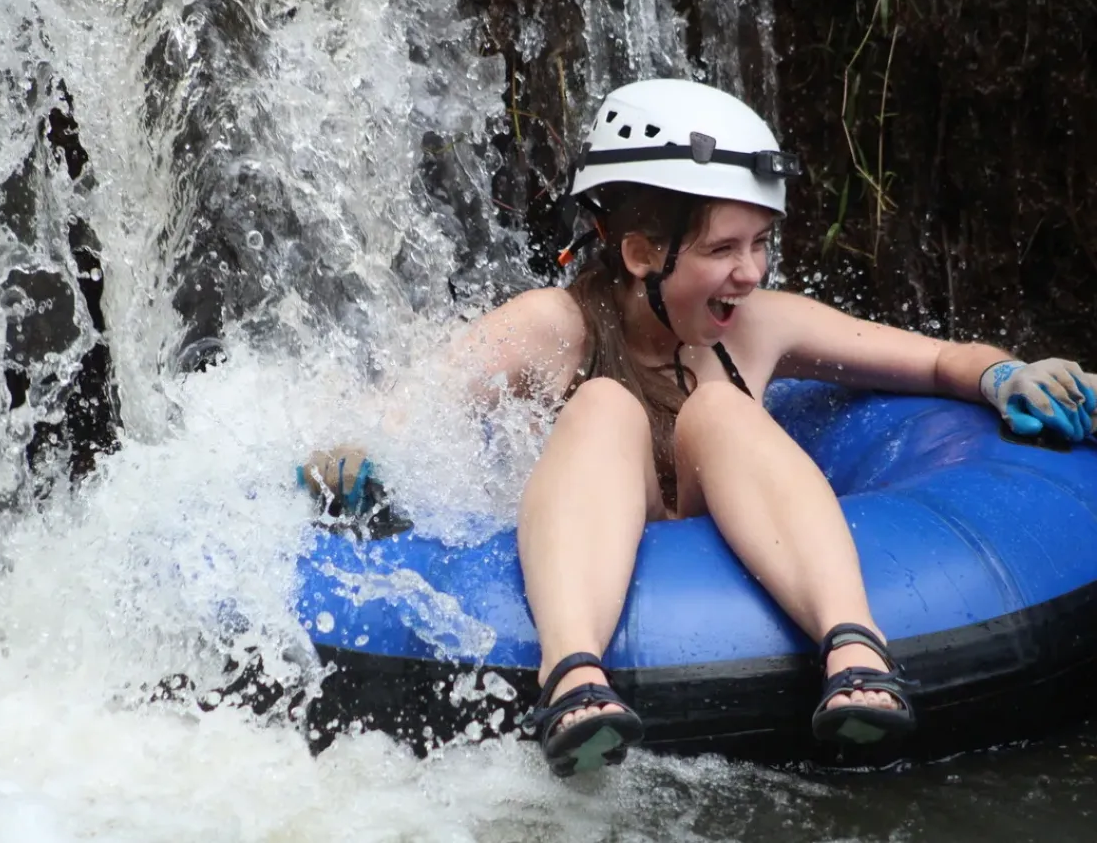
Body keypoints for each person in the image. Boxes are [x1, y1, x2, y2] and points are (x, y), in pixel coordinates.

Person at [299, 79, 1097, 778]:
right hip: (593, 546)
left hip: (739, 541)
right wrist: (352, 449)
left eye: (760, 245)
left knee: (720, 407)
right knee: (604, 403)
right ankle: (572, 676)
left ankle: (854, 648)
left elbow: (932, 362)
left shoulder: (756, 328)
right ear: (644, 252)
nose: (750, 273)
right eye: (724, 249)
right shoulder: (552, 326)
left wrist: (1004, 374)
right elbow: (402, 410)